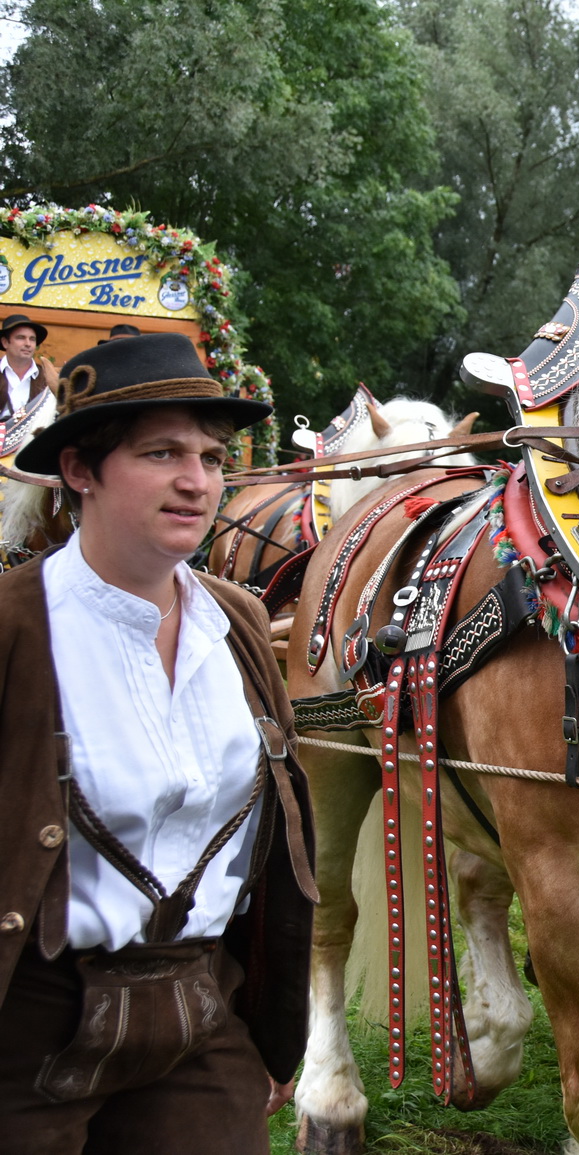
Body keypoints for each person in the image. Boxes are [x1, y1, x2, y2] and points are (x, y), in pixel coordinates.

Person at [0, 334, 317, 1154]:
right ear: (80, 471)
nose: (197, 480)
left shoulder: (239, 622)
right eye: (161, 452)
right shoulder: (14, 628)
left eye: (211, 457)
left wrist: (269, 1026)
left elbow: (280, 841)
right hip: (29, 1023)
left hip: (199, 1011)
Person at [0, 313, 57, 424]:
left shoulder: (46, 377)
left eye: (32, 339)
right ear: (5, 342)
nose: (28, 344)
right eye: (21, 338)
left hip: (35, 438)